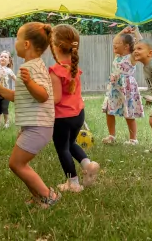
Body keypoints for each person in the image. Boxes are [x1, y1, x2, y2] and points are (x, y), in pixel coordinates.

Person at [0, 22, 61, 208]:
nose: (15, 43)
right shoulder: (30, 66)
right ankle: (38, 196)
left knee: (17, 164)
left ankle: (48, 195)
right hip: (33, 125)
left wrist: (29, 83)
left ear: (26, 44)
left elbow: (43, 95)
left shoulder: (33, 68)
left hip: (39, 126)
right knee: (17, 164)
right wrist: (1, 89)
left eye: (18, 39)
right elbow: (19, 97)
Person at [48, 24, 100, 192]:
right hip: (78, 114)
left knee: (62, 148)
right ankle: (88, 164)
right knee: (70, 143)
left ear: (55, 46)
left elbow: (55, 98)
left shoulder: (55, 70)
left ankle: (73, 183)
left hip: (62, 118)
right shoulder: (75, 67)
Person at [102, 26, 144, 145]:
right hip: (114, 88)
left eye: (118, 43)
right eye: (115, 43)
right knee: (109, 111)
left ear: (126, 46)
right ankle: (111, 136)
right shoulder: (118, 56)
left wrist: (136, 32)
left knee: (129, 113)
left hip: (127, 89)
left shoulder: (132, 57)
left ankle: (133, 139)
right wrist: (123, 31)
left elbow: (141, 45)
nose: (114, 45)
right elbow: (116, 39)